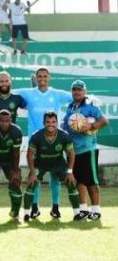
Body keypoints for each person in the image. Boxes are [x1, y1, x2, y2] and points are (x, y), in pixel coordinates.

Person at [16, 67, 73, 219]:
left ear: (49, 78)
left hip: (54, 140)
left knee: (55, 177)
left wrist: (89, 98)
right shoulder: (28, 93)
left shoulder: (57, 94)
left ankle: (55, 208)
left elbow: (76, 96)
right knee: (35, 175)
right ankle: (35, 207)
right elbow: (7, 91)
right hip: (36, 141)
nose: (42, 78)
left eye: (45, 76)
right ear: (35, 78)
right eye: (39, 76)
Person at [62, 80, 108, 221]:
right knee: (79, 181)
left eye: (80, 89)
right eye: (74, 89)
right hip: (73, 151)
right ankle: (83, 210)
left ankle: (96, 210)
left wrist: (91, 126)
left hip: (88, 149)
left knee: (91, 181)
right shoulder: (70, 107)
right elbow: (65, 125)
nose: (77, 92)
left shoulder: (90, 105)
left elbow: (104, 120)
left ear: (85, 91)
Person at [22, 111, 80, 221]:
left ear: (57, 123)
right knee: (32, 181)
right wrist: (33, 173)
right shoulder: (36, 136)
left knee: (70, 182)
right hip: (40, 163)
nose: (51, 124)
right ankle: (30, 211)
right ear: (43, 123)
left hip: (58, 163)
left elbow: (71, 153)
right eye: (48, 122)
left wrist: (70, 172)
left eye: (53, 122)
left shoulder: (64, 136)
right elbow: (30, 154)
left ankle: (69, 211)